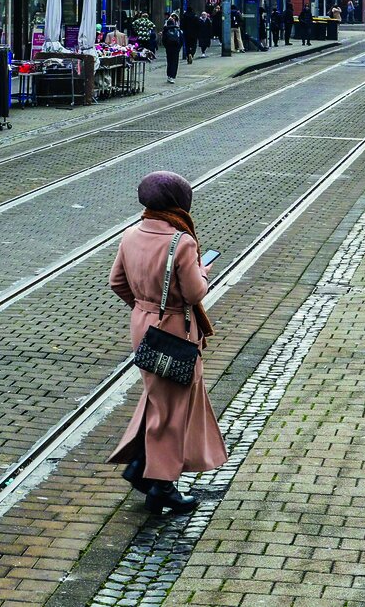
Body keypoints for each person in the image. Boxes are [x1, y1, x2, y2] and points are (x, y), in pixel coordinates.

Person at [109, 170, 227, 516]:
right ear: (179, 203)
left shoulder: (131, 234)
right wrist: (203, 273)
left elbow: (116, 281)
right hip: (175, 328)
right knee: (171, 411)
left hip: (142, 326)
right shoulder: (182, 242)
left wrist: (144, 309)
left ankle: (141, 467)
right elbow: (193, 293)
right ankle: (161, 486)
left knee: (159, 400)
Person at [160, 13, 184, 82]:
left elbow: (163, 40)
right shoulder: (178, 30)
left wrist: (166, 47)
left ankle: (169, 75)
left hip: (169, 48)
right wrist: (179, 47)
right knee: (175, 62)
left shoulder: (165, 30)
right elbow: (181, 40)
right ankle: (173, 76)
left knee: (169, 61)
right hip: (176, 48)